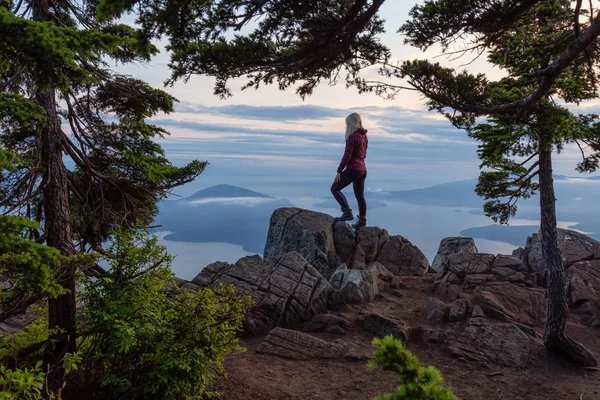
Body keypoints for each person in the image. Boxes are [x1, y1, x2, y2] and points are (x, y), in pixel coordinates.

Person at [331, 112, 368, 229]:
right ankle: (362, 220)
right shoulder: (364, 136)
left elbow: (347, 156)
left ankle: (347, 212)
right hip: (362, 169)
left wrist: (339, 171)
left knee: (335, 188)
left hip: (354, 169)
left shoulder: (352, 137)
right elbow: (363, 154)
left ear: (351, 123)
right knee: (360, 196)